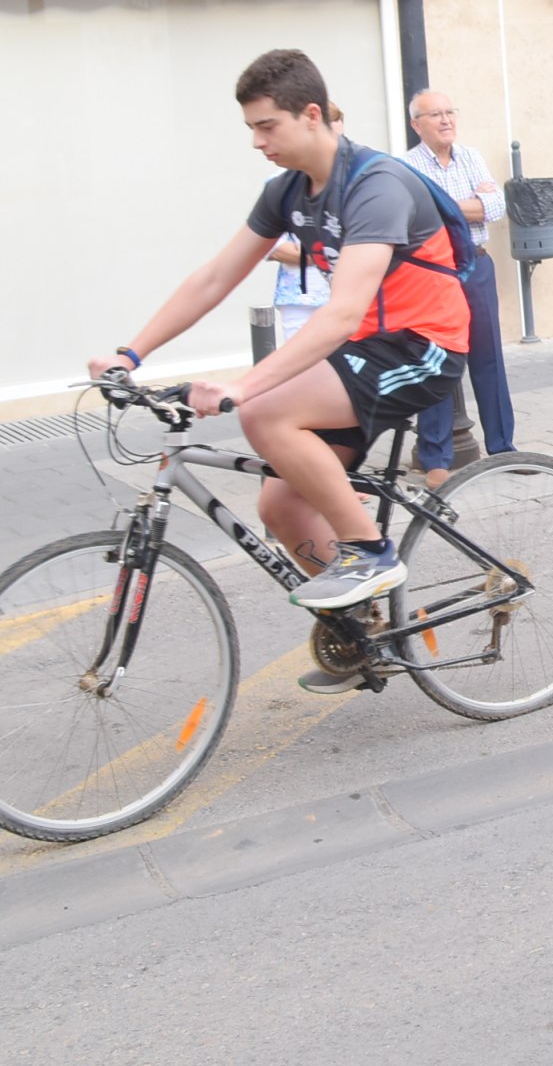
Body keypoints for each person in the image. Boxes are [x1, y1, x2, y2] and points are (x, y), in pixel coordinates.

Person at [87, 50, 469, 693]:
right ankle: (363, 632)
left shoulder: (375, 185)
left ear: (311, 114)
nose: (258, 142)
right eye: (252, 130)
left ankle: (369, 550)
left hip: (421, 347)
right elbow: (214, 278)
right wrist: (132, 354)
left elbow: (343, 312)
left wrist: (244, 387)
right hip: (362, 353)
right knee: (281, 505)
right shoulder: (289, 193)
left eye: (266, 127)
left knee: (266, 412)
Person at [404, 89, 513, 488]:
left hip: (477, 263)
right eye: (436, 115)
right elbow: (424, 214)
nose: (446, 120)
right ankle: (435, 457)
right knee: (437, 359)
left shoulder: (471, 156)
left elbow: (497, 206)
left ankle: (502, 445)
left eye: (450, 112)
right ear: (417, 125)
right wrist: (469, 204)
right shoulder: (408, 165)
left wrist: (451, 204)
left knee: (489, 356)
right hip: (437, 272)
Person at [267, 106, 345, 342]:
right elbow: (275, 248)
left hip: (343, 299)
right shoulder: (280, 186)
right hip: (300, 298)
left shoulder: (353, 183)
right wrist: (328, 252)